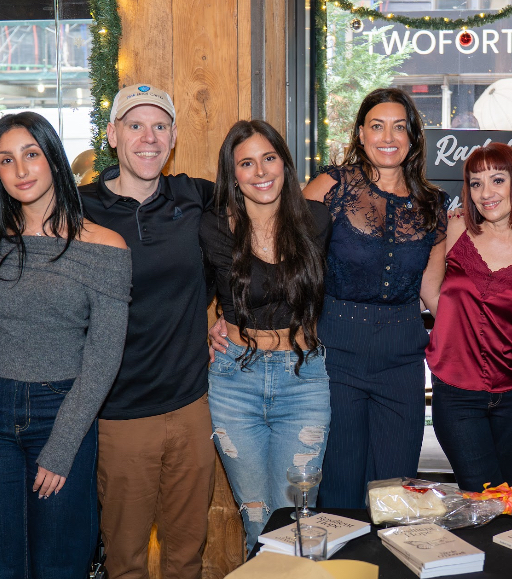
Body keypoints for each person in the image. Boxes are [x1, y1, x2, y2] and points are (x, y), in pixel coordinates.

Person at [0, 112, 130, 578]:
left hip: (62, 410)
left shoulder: (105, 247)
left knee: (61, 560)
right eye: (6, 160)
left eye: (31, 154)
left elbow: (104, 357)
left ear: (53, 159)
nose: (21, 170)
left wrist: (62, 446)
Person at [79, 84, 216, 579]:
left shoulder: (194, 195)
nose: (148, 138)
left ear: (174, 136)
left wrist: (233, 316)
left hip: (190, 406)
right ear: (113, 135)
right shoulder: (79, 209)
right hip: (119, 415)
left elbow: (264, 219)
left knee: (186, 558)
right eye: (135, 125)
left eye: (159, 126)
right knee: (126, 561)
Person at [304, 87, 447, 509]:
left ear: (413, 137)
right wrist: (234, 316)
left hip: (402, 357)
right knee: (341, 487)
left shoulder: (432, 204)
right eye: (378, 126)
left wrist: (479, 342)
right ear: (361, 134)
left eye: (399, 127)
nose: (389, 137)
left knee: (394, 493)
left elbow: (432, 291)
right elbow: (289, 263)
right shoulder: (331, 185)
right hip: (336, 352)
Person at [200, 120, 331, 548]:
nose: (260, 171)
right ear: (233, 174)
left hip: (304, 379)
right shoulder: (214, 227)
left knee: (299, 519)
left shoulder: (315, 220)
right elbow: (189, 293)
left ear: (284, 162)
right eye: (246, 163)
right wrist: (209, 328)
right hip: (235, 380)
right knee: (257, 520)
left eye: (269, 158)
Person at [425, 143, 512, 492]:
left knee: (501, 496)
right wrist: (459, 329)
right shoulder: (455, 229)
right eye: (475, 183)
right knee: (482, 495)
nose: (486, 192)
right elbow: (429, 287)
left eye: (497, 180)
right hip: (457, 393)